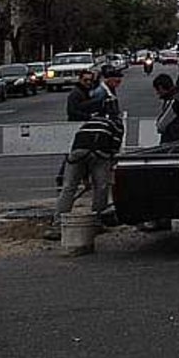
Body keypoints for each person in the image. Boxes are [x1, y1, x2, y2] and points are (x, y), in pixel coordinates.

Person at [49, 66, 126, 239]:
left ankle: (57, 223)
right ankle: (97, 221)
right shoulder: (114, 124)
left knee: (69, 187)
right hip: (98, 153)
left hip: (78, 151)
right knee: (101, 187)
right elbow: (114, 147)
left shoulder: (89, 122)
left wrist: (84, 176)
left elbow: (78, 145)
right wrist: (111, 163)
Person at [139, 73, 179, 232]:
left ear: (163, 88)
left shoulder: (174, 101)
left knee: (162, 183)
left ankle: (161, 218)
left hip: (172, 145)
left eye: (158, 90)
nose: (157, 94)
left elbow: (161, 125)